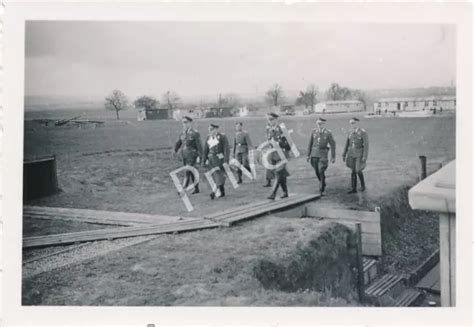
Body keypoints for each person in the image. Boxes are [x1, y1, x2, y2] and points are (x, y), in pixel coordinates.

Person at [264, 113, 290, 200]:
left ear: (276, 119)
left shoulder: (282, 129)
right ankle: (285, 192)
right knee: (281, 174)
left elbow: (288, 143)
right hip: (273, 154)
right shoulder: (269, 130)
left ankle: (273, 193)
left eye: (272, 119)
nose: (270, 121)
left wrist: (279, 144)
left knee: (278, 173)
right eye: (269, 120)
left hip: (282, 154)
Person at [307, 117, 336, 195]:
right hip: (314, 154)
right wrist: (308, 155)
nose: (319, 125)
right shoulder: (314, 132)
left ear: (324, 124)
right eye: (317, 124)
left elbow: (333, 145)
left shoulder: (328, 133)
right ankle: (322, 182)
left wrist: (333, 157)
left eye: (320, 124)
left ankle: (321, 189)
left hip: (323, 154)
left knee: (321, 170)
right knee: (317, 171)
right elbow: (310, 144)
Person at [173, 116, 202, 194]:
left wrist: (200, 156)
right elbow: (179, 142)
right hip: (185, 155)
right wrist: (175, 150)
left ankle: (183, 188)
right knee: (192, 172)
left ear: (190, 123)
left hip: (192, 155)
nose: (184, 124)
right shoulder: (183, 133)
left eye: (186, 122)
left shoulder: (195, 133)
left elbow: (199, 145)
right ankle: (196, 188)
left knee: (187, 171)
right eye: (183, 122)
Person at [203, 123, 230, 199]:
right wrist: (203, 160)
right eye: (209, 130)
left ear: (216, 129)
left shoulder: (222, 137)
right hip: (211, 160)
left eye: (212, 129)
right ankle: (222, 191)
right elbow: (205, 150)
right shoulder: (208, 138)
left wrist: (225, 161)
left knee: (220, 176)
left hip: (220, 159)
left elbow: (226, 149)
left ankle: (214, 192)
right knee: (216, 177)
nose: (210, 131)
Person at [342, 117, 369, 193]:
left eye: (353, 123)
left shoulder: (362, 132)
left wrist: (364, 156)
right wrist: (344, 154)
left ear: (357, 123)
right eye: (351, 123)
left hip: (359, 154)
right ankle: (353, 188)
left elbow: (366, 145)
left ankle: (363, 185)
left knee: (358, 170)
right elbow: (347, 144)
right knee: (353, 171)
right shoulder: (350, 132)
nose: (352, 125)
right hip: (351, 154)